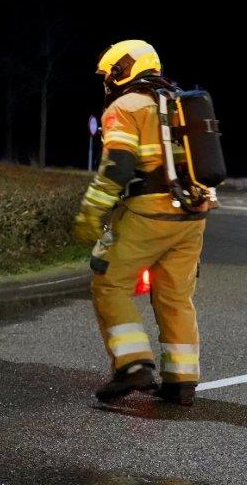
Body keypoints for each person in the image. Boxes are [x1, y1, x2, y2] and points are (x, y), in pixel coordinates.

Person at [73, 40, 209, 405]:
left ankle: (133, 365)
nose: (107, 82)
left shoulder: (126, 106)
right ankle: (181, 382)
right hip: (192, 214)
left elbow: (116, 166)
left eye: (109, 74)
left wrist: (90, 212)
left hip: (149, 213)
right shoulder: (179, 102)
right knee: (176, 297)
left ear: (123, 69)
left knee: (109, 282)